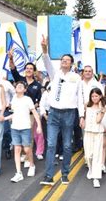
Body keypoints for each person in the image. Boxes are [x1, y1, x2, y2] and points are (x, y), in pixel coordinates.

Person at [40, 35, 82, 186]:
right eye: (62, 60)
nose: (64, 61)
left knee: (66, 145)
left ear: (71, 63)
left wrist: (81, 116)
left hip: (69, 114)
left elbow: (80, 99)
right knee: (51, 144)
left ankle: (65, 174)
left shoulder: (76, 78)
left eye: (67, 60)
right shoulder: (55, 74)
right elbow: (46, 60)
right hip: (53, 114)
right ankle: (49, 176)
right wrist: (44, 47)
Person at [8, 49, 44, 160]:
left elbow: (38, 101)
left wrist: (33, 107)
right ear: (24, 70)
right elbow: (13, 69)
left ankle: (28, 157)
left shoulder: (37, 85)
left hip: (30, 114)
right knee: (18, 134)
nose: (28, 70)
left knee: (28, 135)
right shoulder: (20, 80)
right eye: (27, 68)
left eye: (31, 69)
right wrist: (11, 58)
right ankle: (23, 153)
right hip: (17, 114)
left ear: (34, 71)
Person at [7, 81, 42, 183]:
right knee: (17, 149)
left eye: (22, 86)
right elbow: (14, 114)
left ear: (25, 90)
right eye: (17, 85)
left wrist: (39, 125)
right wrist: (4, 118)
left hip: (25, 127)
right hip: (15, 127)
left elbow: (34, 112)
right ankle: (18, 173)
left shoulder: (27, 99)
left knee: (27, 149)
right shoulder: (13, 99)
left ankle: (31, 164)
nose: (19, 86)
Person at [82, 88, 106, 188]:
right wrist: (82, 119)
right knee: (88, 155)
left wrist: (100, 109)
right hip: (88, 132)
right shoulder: (87, 105)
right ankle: (90, 169)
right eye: (92, 96)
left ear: (100, 96)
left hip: (98, 133)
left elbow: (98, 120)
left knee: (97, 155)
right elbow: (83, 115)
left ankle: (96, 178)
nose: (94, 98)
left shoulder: (103, 108)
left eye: (96, 96)